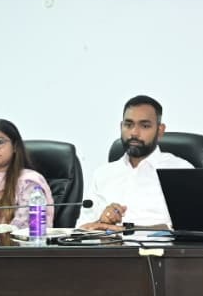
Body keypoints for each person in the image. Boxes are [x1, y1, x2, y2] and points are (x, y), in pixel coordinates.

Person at [77, 95, 193, 230]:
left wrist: (129, 230)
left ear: (160, 130)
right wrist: (102, 222)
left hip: (161, 244)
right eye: (128, 125)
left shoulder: (181, 170)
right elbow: (81, 229)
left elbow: (191, 228)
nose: (134, 133)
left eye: (145, 126)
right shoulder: (102, 174)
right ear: (121, 126)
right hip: (109, 244)